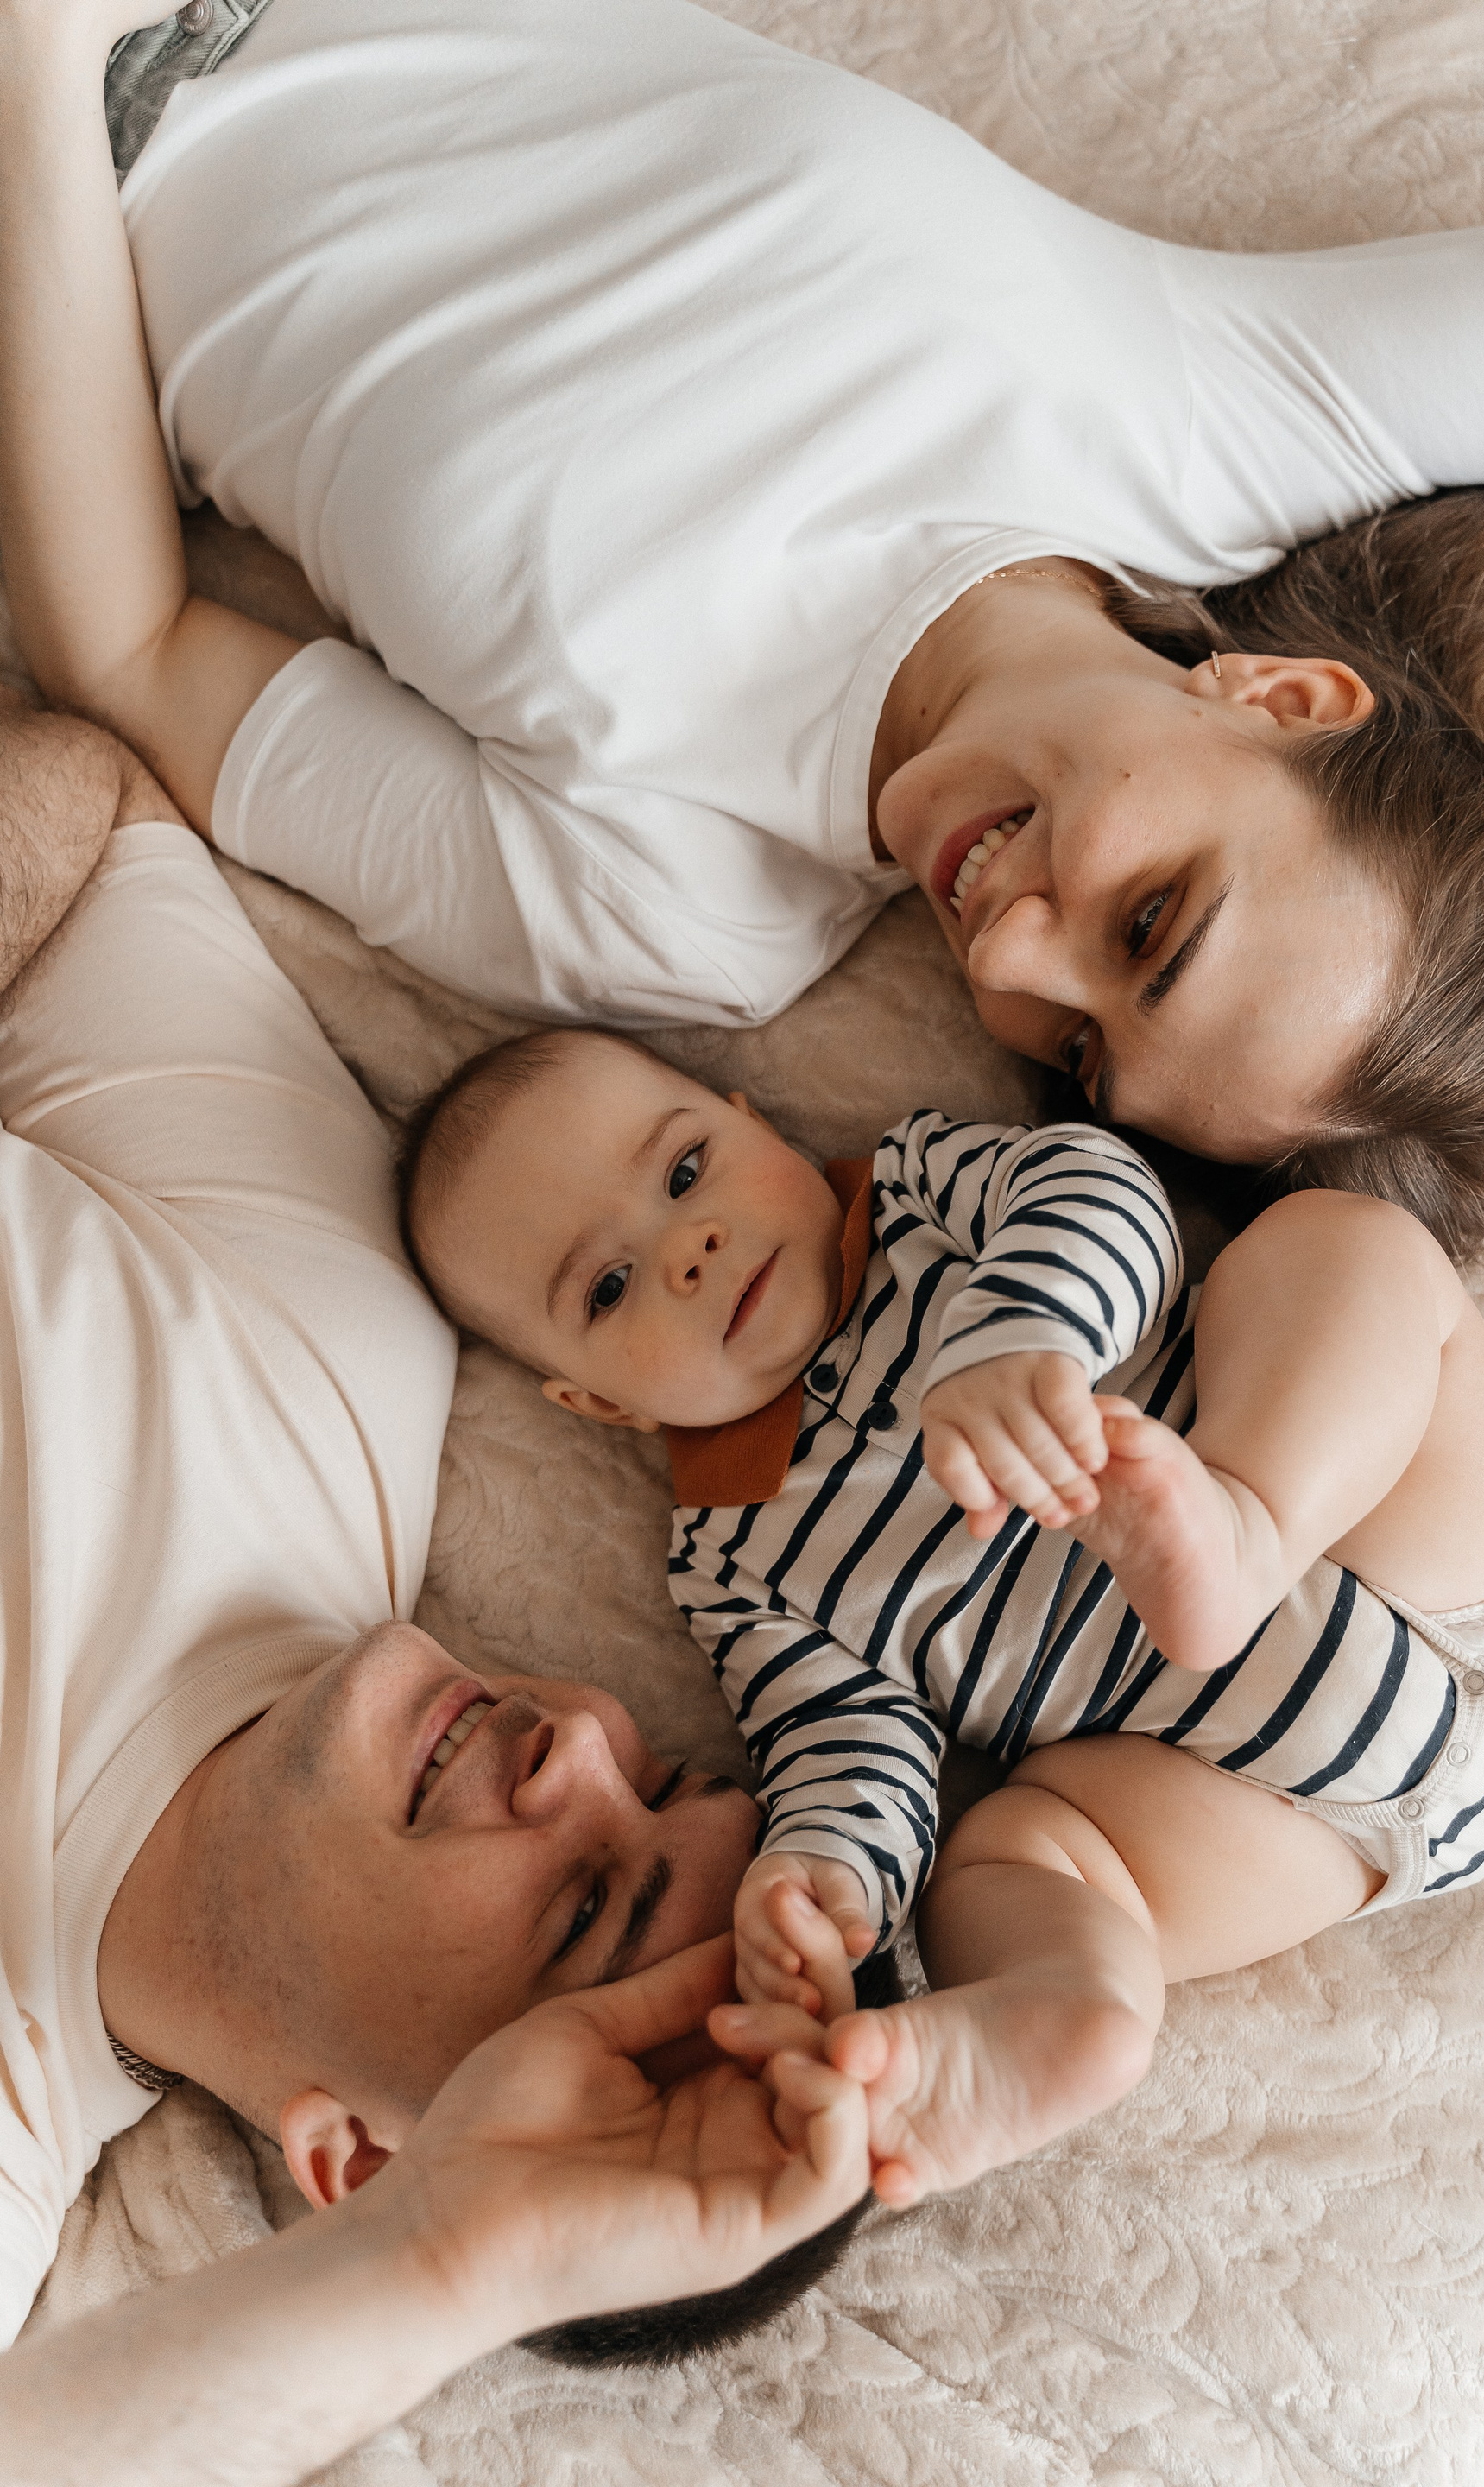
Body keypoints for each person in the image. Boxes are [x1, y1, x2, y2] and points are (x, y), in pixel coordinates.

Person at [4, 2, 1484, 1266]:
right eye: (1150, 920)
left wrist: (42, 60)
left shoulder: (673, 912)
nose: (1005, 962)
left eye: (1083, 1051)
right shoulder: (1219, 425)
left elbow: (132, 654)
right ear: (1283, 698)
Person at [0, 693, 875, 2484]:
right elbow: (86, 812)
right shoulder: (330, 1356)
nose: (585, 1745)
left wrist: (450, 2259)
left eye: (586, 1907)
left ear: (367, 2160)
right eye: (669, 1771)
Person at [395, 1026, 1484, 2204]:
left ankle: (1242, 1522)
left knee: (1340, 1249)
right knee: (995, 1860)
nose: (690, 1248)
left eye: (684, 1170)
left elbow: (1109, 1198)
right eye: (610, 1287)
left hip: (1426, 1545)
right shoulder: (733, 1563)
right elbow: (843, 1739)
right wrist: (823, 1876)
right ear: (599, 1404)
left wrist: (1023, 1334)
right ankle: (1068, 2009)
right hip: (1274, 1820)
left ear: (751, 1118)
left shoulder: (919, 1191)